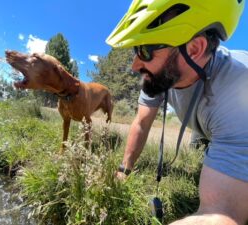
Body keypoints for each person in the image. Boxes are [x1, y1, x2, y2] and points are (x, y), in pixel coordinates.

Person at [106, 0, 248, 224]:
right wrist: (124, 169)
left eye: (144, 50)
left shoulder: (238, 93)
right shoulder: (160, 75)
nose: (134, 66)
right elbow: (142, 122)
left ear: (194, 49)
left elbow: (220, 213)